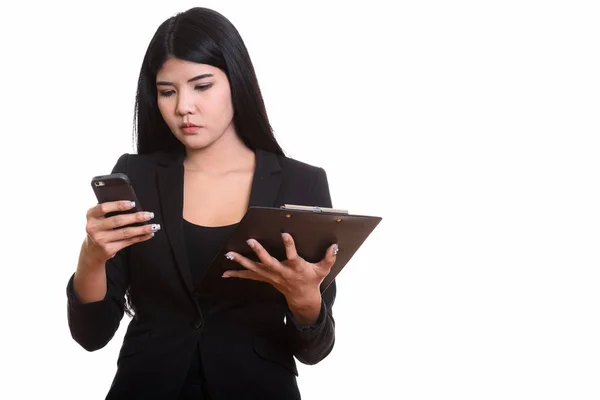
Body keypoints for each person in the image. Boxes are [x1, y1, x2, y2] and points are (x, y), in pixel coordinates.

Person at [66, 6, 339, 400]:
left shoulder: (301, 183)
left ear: (237, 81)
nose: (183, 108)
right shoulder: (137, 176)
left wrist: (304, 300)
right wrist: (92, 257)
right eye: (167, 91)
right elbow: (91, 335)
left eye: (202, 85)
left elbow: (315, 349)